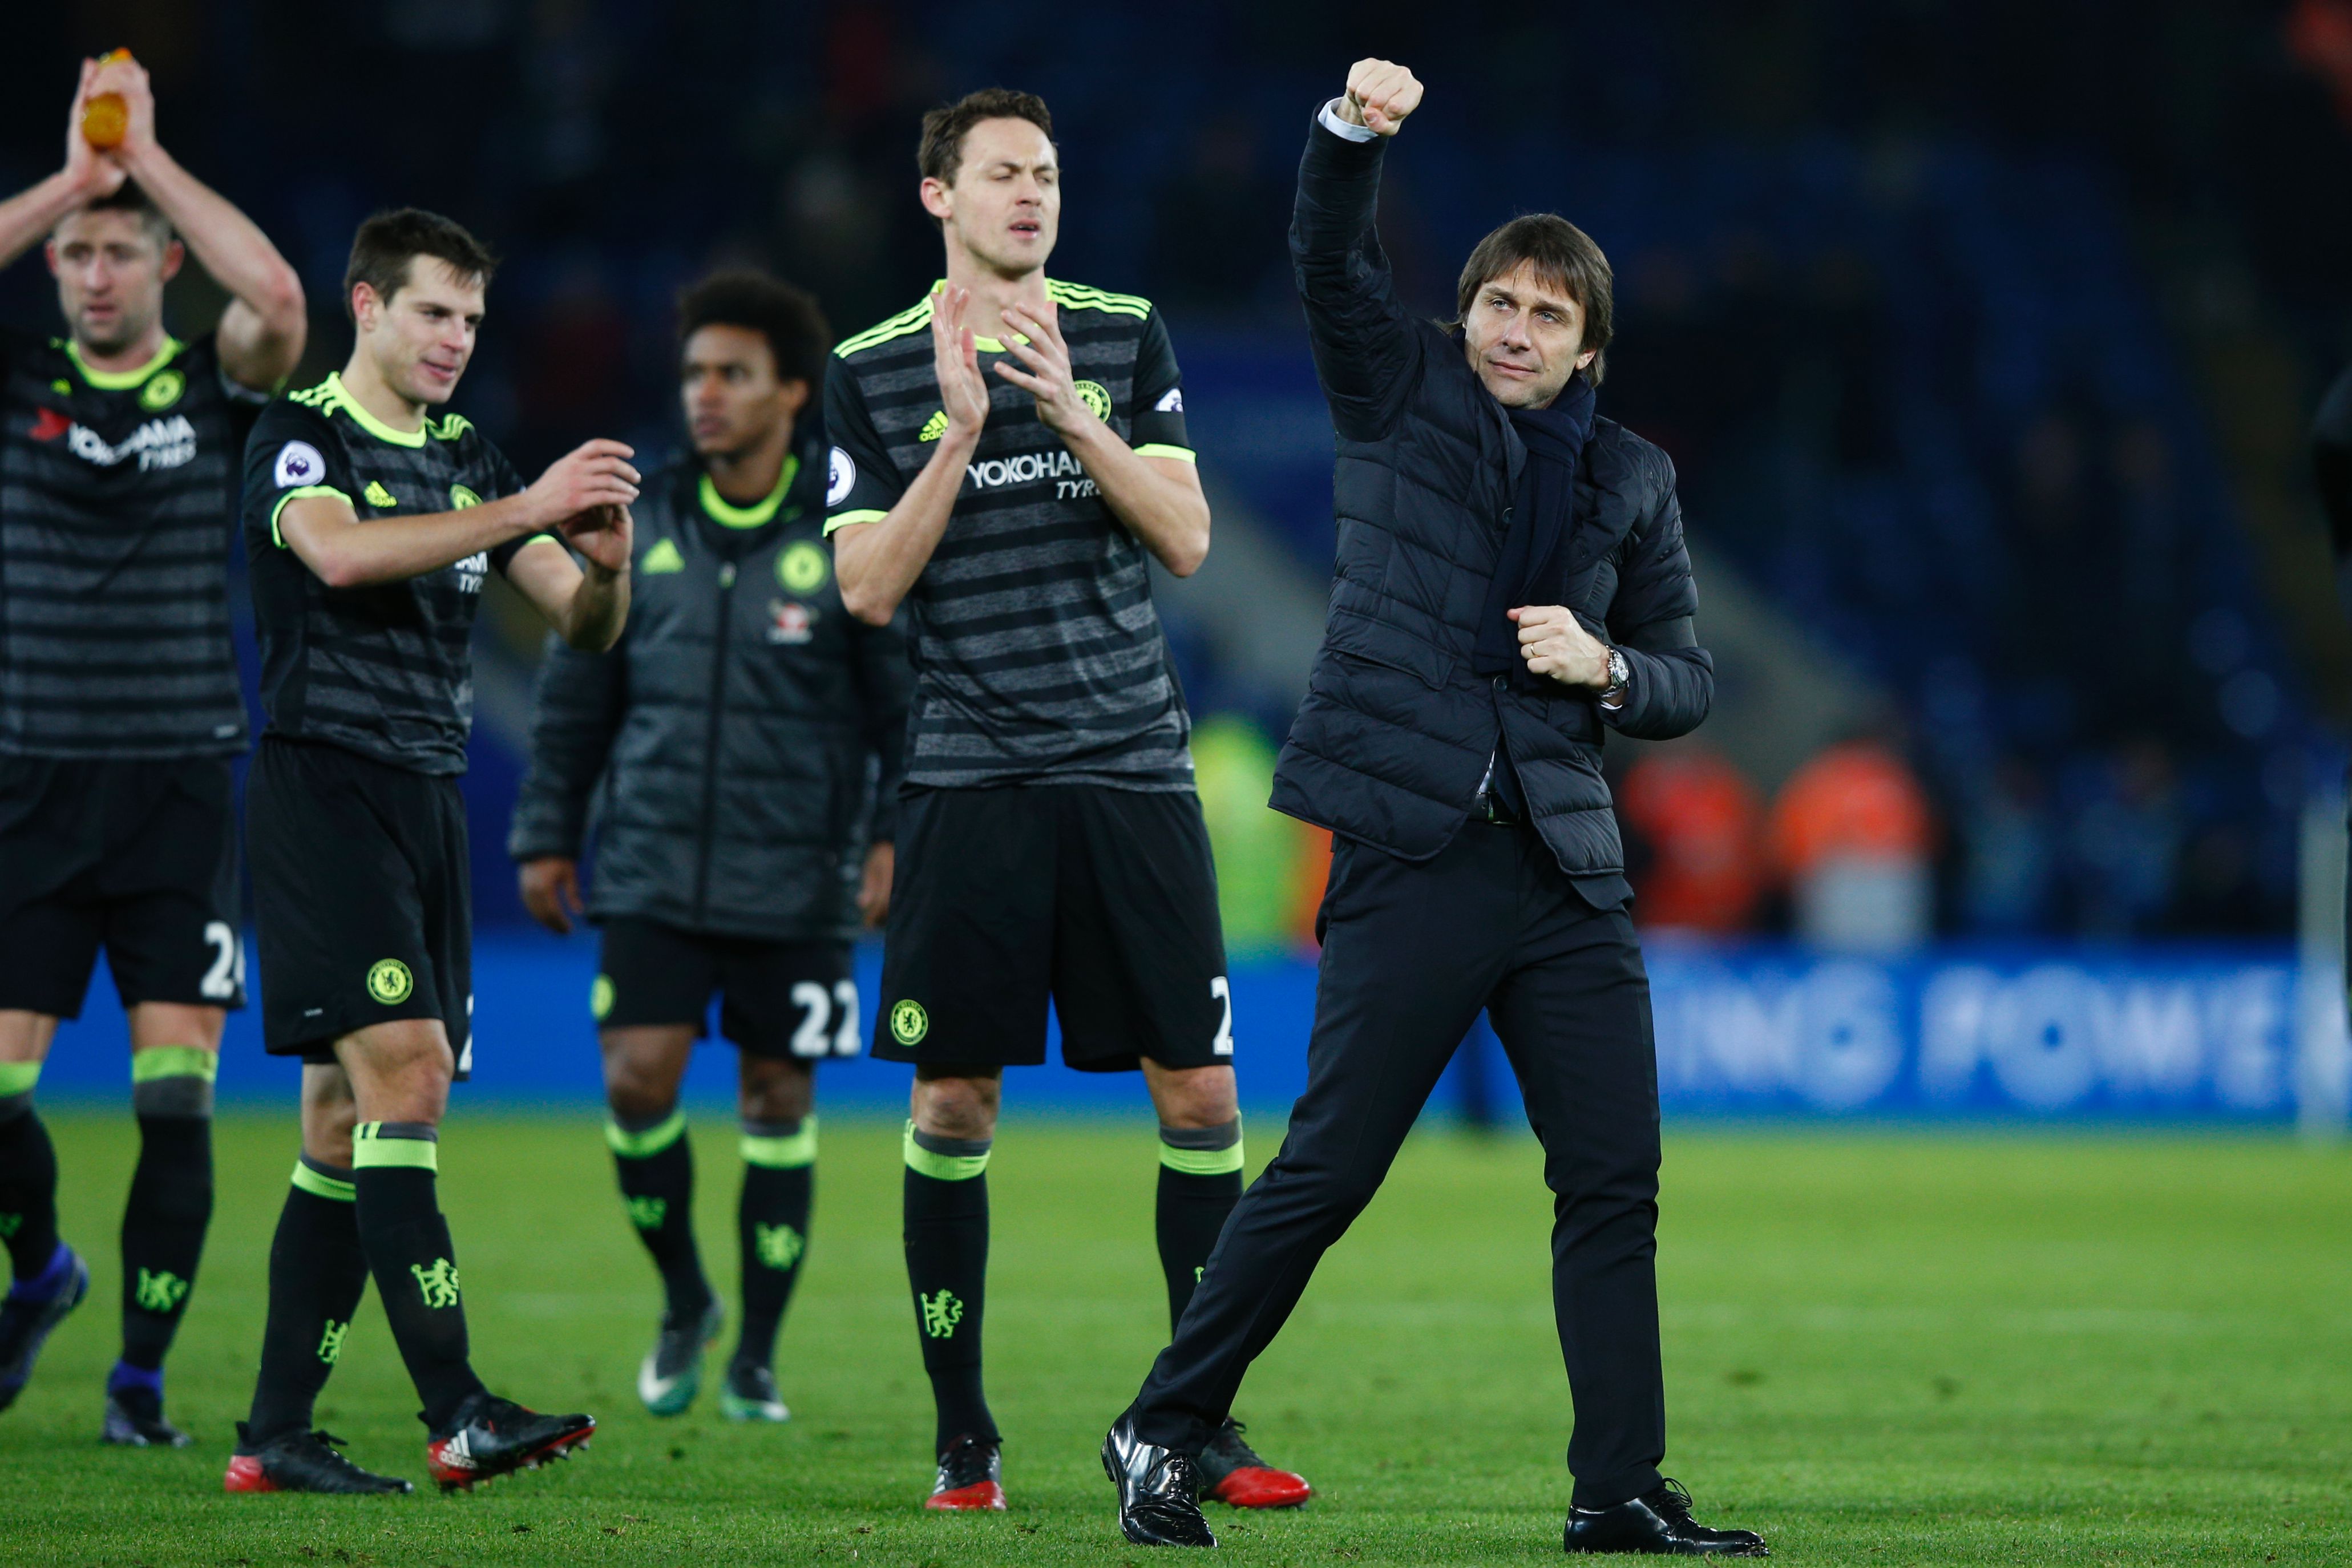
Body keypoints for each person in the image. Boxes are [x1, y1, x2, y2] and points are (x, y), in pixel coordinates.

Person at [1101, 61, 1768, 1557]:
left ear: (1589, 347)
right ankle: (1163, 1416)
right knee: (1332, 1164)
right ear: (1463, 315)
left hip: (1565, 871)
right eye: (1498, 303)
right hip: (1410, 844)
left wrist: (1605, 666)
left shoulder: (1634, 478)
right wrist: (1352, 136)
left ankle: (1618, 1491)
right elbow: (1326, 255)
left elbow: (1687, 676)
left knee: (1613, 1180)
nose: (1515, 329)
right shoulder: (1396, 388)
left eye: (1548, 313)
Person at [826, 88, 1307, 1514]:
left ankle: (1195, 1424)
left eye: (1045, 173)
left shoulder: (1122, 328)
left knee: (1205, 1091)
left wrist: (1070, 418)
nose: (1031, 195)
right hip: (973, 779)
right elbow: (864, 587)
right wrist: (961, 433)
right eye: (1001, 175)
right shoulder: (869, 367)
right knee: (957, 1099)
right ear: (938, 198)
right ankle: (964, 1432)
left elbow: (1187, 536)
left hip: (1132, 768)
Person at [224, 209, 636, 1495]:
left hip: (427, 803)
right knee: (408, 1080)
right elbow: (339, 554)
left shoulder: (465, 453)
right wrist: (529, 503)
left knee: (344, 1123)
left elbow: (583, 624)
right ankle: (458, 1408)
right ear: (367, 306)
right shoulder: (302, 435)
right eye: (433, 312)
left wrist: (608, 568)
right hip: (324, 796)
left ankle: (276, 1436)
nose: (457, 338)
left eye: (470, 317)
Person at [509, 270, 910, 1425]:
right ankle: (687, 1298)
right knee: (637, 1078)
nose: (706, 395)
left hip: (798, 874)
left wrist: (890, 835)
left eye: (732, 374)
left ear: (791, 391)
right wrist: (547, 831)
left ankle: (760, 1354)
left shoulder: (843, 534)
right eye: (693, 374)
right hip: (653, 863)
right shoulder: (646, 522)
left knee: (779, 1094)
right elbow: (577, 690)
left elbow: (899, 705)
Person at [0, 54, 305, 1445]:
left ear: (163, 262)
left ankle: (138, 1384)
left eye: (122, 251)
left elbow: (284, 305)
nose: (98, 272)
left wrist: (147, 157)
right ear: (53, 264)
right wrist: (73, 171)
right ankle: (43, 1272)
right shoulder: (21, 389)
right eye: (79, 252)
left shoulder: (214, 385)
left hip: (182, 787)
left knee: (173, 1098)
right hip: (32, 781)